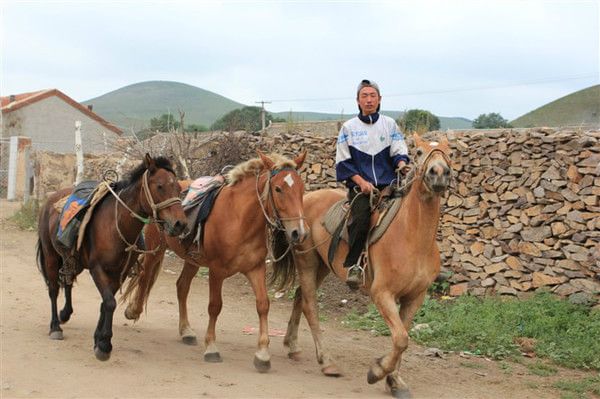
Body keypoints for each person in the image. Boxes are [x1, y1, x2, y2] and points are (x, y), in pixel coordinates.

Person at [335, 79, 410, 289]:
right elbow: (343, 162)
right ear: (358, 101)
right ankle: (355, 264)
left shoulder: (390, 124)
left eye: (372, 96)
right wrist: (361, 182)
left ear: (379, 100)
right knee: (360, 219)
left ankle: (425, 263)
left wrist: (402, 163)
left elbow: (398, 149)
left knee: (418, 210)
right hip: (362, 191)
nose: (369, 100)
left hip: (389, 187)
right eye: (364, 96)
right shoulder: (348, 128)